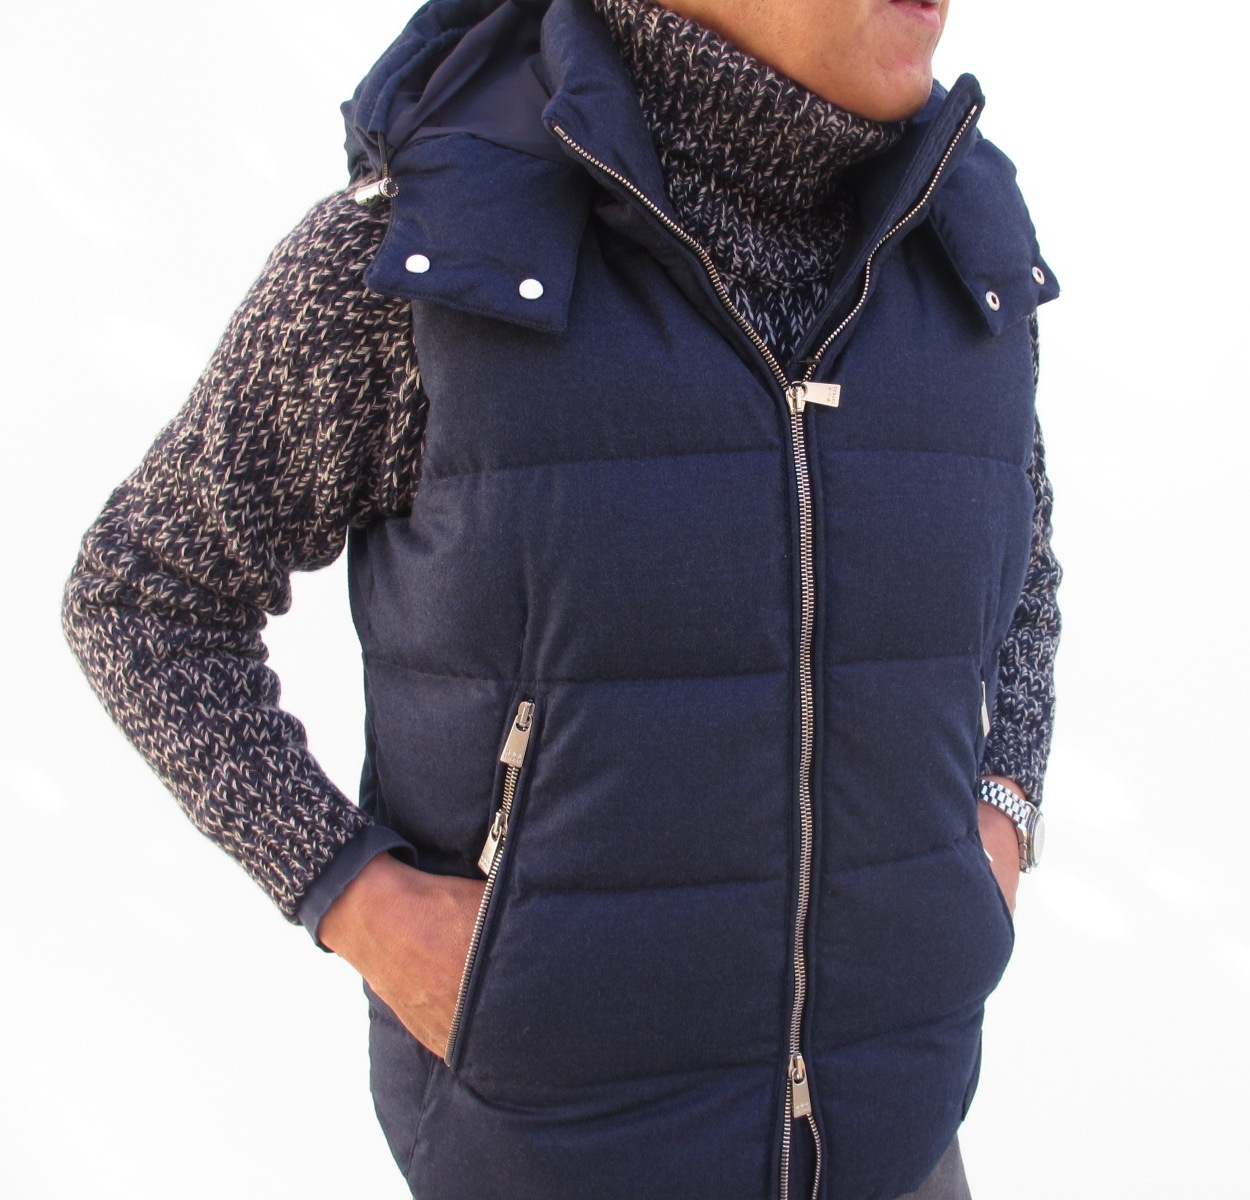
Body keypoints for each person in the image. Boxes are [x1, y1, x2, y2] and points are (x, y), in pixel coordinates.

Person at [62, 0, 1061, 1196]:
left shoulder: (955, 250)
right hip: (553, 1151)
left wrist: (1001, 812)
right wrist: (354, 896)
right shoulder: (427, 254)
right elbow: (144, 596)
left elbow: (1023, 575)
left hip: (894, 1139)